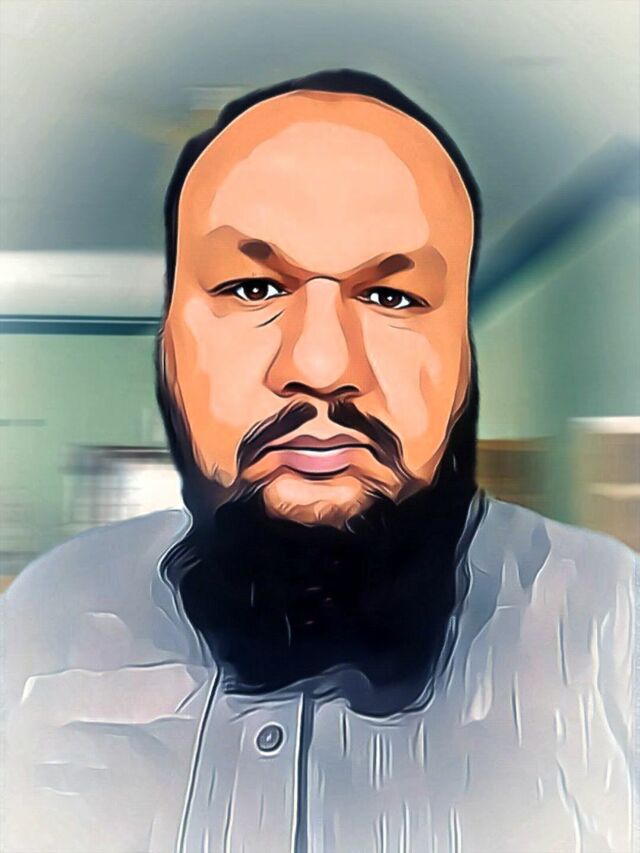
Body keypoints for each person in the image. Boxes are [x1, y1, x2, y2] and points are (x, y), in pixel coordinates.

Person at [1, 70, 635, 853]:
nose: (322, 364)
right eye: (252, 286)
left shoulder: (615, 631)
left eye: (392, 297)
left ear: (464, 362)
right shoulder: (45, 618)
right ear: (168, 348)